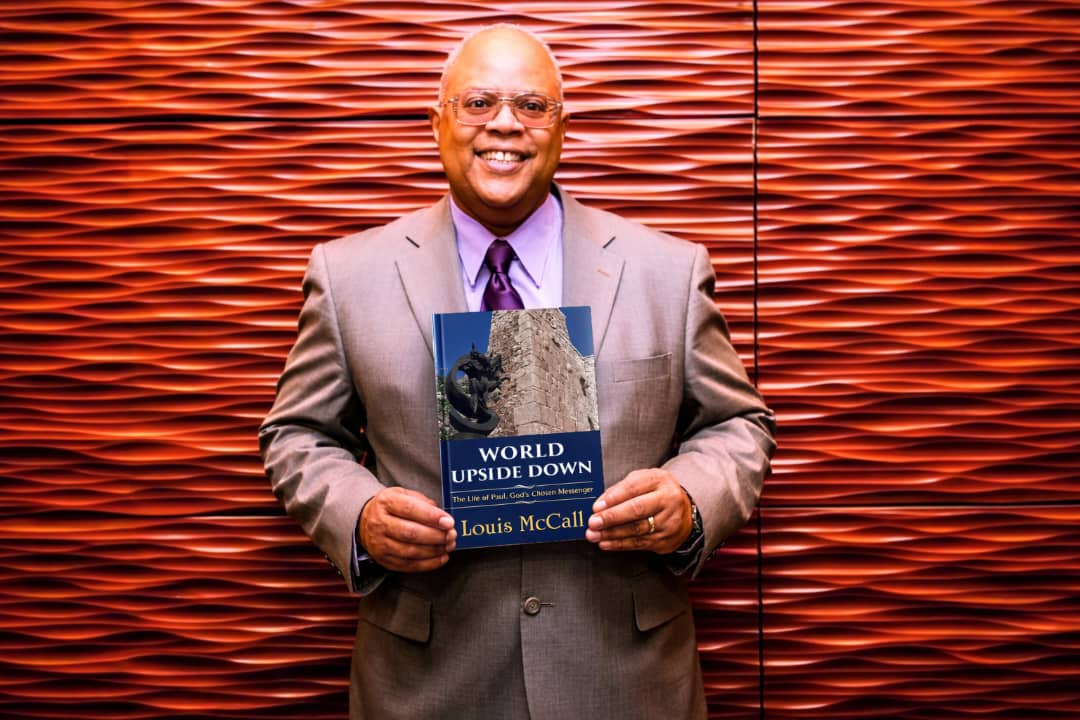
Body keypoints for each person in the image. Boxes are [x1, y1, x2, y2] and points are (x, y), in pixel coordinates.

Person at [259, 23, 775, 720]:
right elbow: (297, 434)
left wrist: (689, 499)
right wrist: (358, 515)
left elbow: (738, 425)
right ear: (437, 122)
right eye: (479, 103)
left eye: (532, 106)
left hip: (622, 678)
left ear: (562, 129)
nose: (505, 123)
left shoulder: (668, 270)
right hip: (427, 682)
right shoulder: (348, 275)